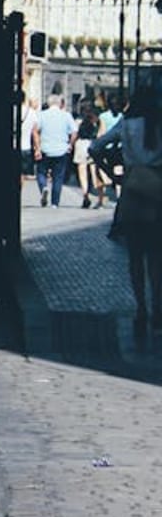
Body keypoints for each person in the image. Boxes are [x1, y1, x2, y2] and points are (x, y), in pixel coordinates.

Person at [96, 86, 162, 338]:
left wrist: (114, 175)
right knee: (157, 256)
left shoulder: (127, 124)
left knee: (135, 256)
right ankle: (158, 307)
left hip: (133, 193)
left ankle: (141, 308)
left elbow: (96, 147)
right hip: (158, 193)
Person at [31, 94, 77, 207]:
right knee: (58, 177)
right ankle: (55, 203)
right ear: (60, 103)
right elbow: (74, 132)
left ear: (49, 103)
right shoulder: (67, 115)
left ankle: (43, 188)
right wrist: (70, 145)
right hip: (61, 150)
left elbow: (35, 131)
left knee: (41, 172)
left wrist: (37, 148)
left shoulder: (41, 115)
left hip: (45, 149)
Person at [75, 104, 102, 209]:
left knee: (82, 173)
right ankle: (99, 195)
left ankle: (85, 194)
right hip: (92, 144)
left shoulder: (78, 121)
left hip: (81, 145)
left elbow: (75, 134)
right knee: (94, 171)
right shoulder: (96, 121)